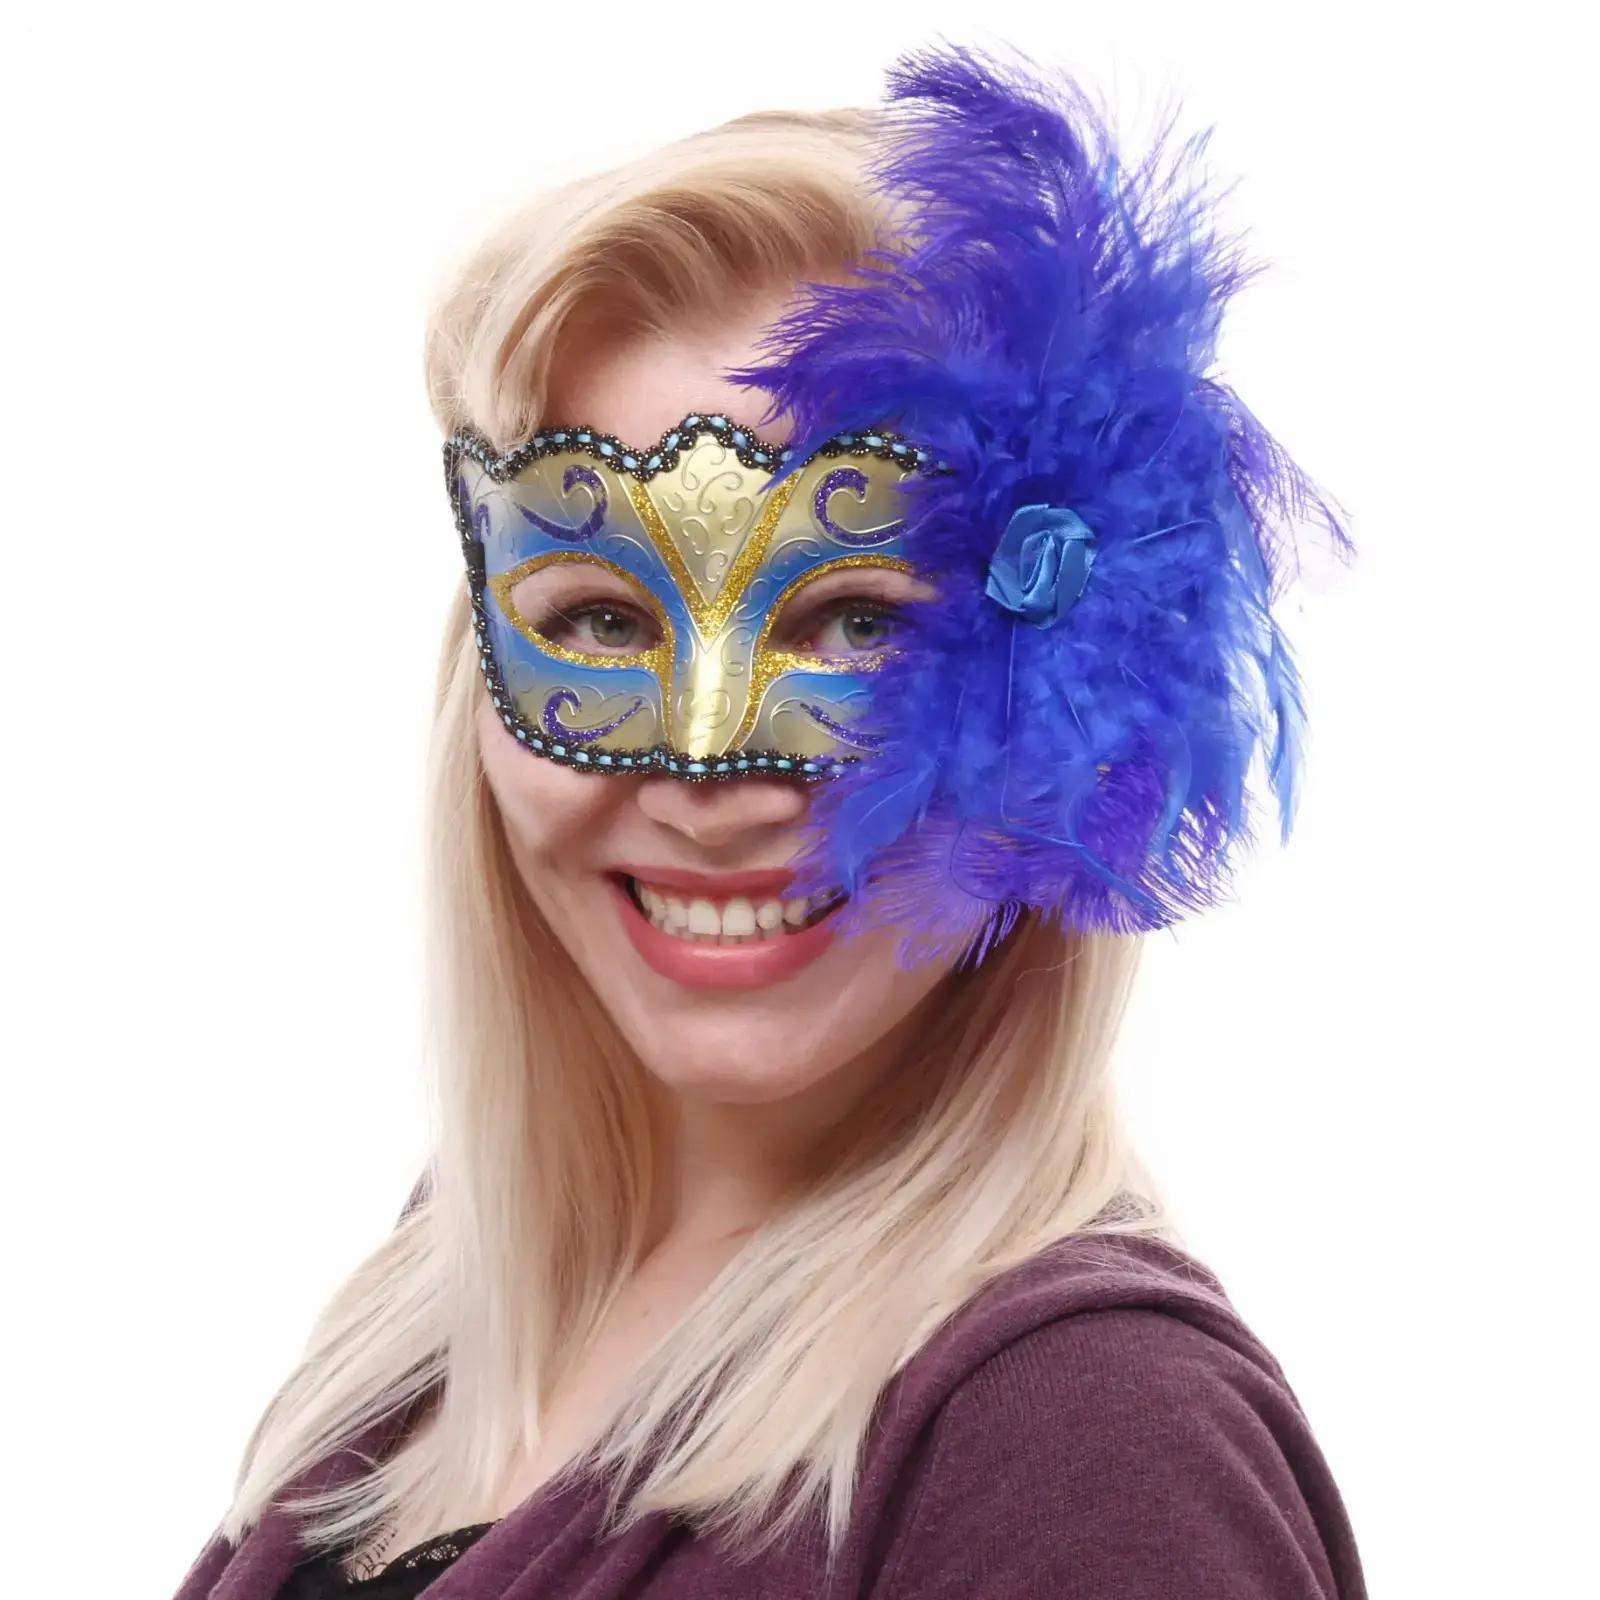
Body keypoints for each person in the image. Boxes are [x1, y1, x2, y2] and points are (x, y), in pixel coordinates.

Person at [175, 45, 1365, 1600]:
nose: (705, 776)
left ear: (1066, 706)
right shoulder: (441, 1312)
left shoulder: (1091, 1445)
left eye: (858, 624)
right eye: (604, 621)